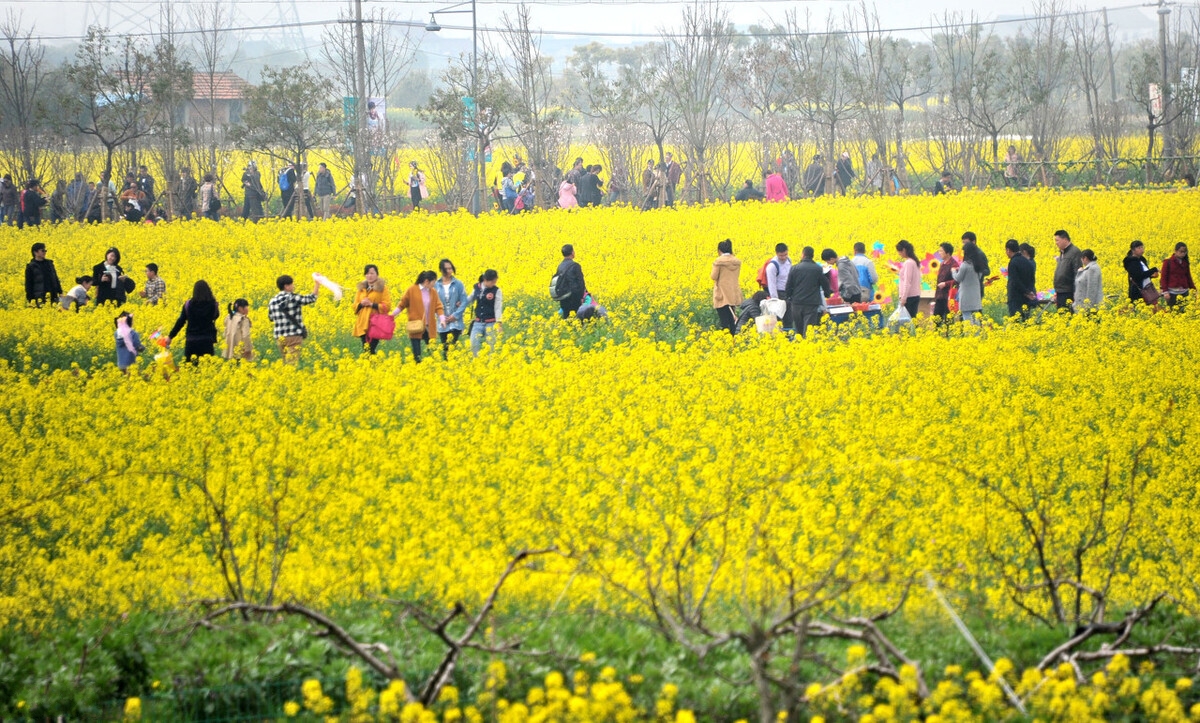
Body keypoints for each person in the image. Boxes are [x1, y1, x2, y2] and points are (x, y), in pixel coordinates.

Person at [268, 274, 321, 364]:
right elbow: (311, 298)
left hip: (279, 336)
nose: (294, 286)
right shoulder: (293, 297)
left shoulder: (272, 301)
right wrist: (317, 284)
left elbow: (271, 318)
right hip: (293, 336)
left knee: (286, 362)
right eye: (292, 284)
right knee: (292, 363)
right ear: (286, 286)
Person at [394, 270, 445, 363]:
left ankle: (432, 369)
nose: (435, 284)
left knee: (433, 352)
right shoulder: (412, 290)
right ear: (426, 281)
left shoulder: (433, 292)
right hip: (416, 325)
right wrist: (392, 315)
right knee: (417, 354)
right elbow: (402, 304)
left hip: (429, 326)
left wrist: (442, 319)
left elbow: (438, 307)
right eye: (433, 281)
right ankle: (418, 369)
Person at [167, 280, 221, 361]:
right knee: (206, 369)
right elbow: (216, 316)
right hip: (207, 341)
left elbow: (181, 321)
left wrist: (170, 336)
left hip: (191, 341)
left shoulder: (188, 305)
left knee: (190, 368)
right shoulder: (213, 305)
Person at [784, 246, 830, 338]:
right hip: (811, 303)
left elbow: (788, 285)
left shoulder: (794, 268)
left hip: (797, 302)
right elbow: (825, 283)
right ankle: (807, 345)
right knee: (809, 328)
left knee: (798, 328)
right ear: (812, 256)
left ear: (803, 255)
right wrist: (827, 294)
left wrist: (789, 297)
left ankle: (801, 346)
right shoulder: (817, 269)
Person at [353, 264, 392, 355]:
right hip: (363, 322)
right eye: (367, 273)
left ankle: (371, 365)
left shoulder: (383, 289)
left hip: (376, 323)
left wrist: (371, 304)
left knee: (370, 348)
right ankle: (372, 366)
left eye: (372, 273)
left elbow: (387, 306)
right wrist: (361, 304)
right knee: (366, 349)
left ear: (377, 274)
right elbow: (354, 305)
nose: (369, 276)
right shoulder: (361, 289)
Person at [435, 259, 468, 358]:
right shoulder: (436, 285)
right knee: (445, 349)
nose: (449, 271)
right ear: (441, 270)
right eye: (447, 269)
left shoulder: (458, 284)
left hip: (456, 322)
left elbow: (464, 301)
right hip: (442, 322)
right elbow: (433, 304)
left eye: (451, 268)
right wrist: (441, 317)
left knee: (452, 347)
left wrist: (455, 315)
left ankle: (453, 366)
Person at [711, 239, 743, 336]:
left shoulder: (718, 262)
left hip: (722, 294)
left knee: (724, 322)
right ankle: (734, 339)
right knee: (732, 319)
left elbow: (713, 276)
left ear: (719, 250)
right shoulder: (736, 262)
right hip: (733, 293)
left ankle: (727, 342)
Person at [468, 269, 503, 356]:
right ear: (485, 280)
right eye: (492, 282)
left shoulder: (496, 291)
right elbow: (469, 299)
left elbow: (498, 308)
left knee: (491, 348)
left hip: (491, 323)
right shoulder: (477, 288)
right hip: (477, 322)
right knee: (473, 345)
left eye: (495, 282)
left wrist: (499, 323)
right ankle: (476, 365)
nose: (494, 284)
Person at [953, 241, 987, 326]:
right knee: (976, 318)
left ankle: (969, 336)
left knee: (967, 317)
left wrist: (953, 271)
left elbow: (958, 278)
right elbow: (979, 277)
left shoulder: (965, 265)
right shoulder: (978, 265)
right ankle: (977, 336)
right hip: (975, 294)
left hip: (966, 295)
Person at [1005, 239, 1038, 319]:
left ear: (1008, 250)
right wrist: (1029, 292)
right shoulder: (1027, 261)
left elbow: (1014, 281)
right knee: (1026, 320)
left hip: (1016, 298)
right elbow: (1032, 279)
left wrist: (1025, 292)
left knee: (1016, 321)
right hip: (1027, 298)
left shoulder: (1013, 263)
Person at [25, 242, 63, 307]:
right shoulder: (31, 267)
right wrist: (30, 299)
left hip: (53, 295)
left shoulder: (49, 263)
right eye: (42, 250)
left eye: (45, 250)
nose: (45, 252)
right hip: (40, 297)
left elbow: (55, 278)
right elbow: (28, 284)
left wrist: (60, 292)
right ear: (35, 252)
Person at [1052, 229, 1082, 311]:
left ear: (1065, 239)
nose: (1056, 243)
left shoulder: (1074, 252)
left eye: (1057, 240)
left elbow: (1077, 273)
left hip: (1068, 292)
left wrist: (1076, 293)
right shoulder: (1063, 253)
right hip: (1060, 291)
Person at [1123, 240, 1159, 306]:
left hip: (1147, 288)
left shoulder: (1142, 259)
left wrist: (1151, 275)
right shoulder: (1131, 262)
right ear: (1133, 250)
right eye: (1139, 248)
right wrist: (1153, 270)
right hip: (1138, 291)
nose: (1142, 249)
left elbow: (1144, 273)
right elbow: (1138, 277)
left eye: (1142, 247)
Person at [554, 244, 586, 318]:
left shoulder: (560, 266)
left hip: (564, 296)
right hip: (574, 297)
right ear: (572, 252)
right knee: (578, 319)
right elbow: (581, 283)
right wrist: (582, 297)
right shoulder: (575, 266)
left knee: (566, 317)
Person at [1159, 242, 1194, 307]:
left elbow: (1188, 277)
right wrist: (1165, 292)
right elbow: (1163, 278)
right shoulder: (1167, 262)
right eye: (1181, 251)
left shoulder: (1185, 262)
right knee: (1172, 312)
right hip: (1172, 293)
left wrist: (1193, 289)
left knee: (1185, 312)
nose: (1183, 254)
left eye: (1184, 252)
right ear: (1175, 251)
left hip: (1184, 292)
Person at [933, 242, 960, 323]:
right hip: (940, 296)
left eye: (941, 251)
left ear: (947, 253)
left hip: (949, 296)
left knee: (948, 320)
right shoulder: (942, 263)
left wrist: (945, 284)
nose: (939, 253)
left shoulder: (954, 264)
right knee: (936, 319)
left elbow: (957, 279)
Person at [896, 240, 921, 319]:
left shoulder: (908, 263)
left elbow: (907, 282)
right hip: (914, 295)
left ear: (904, 250)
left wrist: (903, 298)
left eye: (899, 251)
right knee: (912, 320)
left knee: (908, 322)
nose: (899, 254)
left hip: (909, 297)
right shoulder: (914, 261)